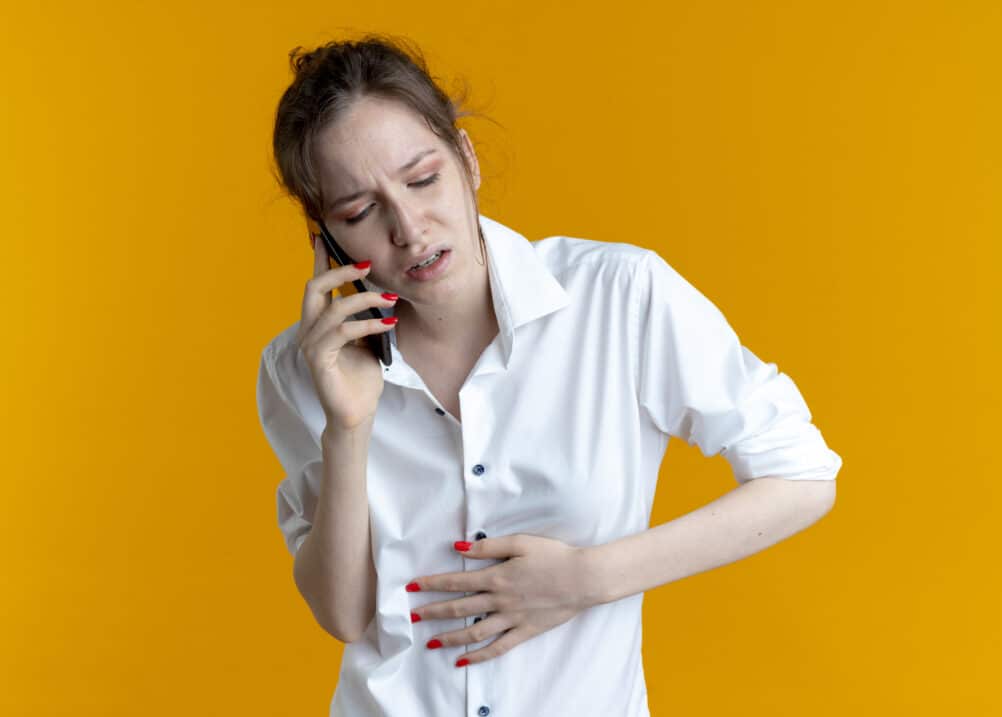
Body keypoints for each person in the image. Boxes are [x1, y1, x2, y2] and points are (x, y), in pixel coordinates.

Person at [256, 34, 843, 717]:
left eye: (423, 179)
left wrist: (588, 578)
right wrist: (349, 427)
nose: (410, 229)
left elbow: (803, 475)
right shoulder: (301, 367)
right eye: (360, 212)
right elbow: (346, 614)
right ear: (322, 234)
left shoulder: (620, 297)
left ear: (467, 159)